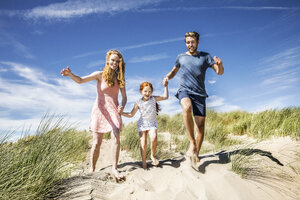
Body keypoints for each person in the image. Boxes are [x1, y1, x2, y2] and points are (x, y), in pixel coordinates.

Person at [60, 49, 127, 180]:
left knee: (116, 135)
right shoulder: (99, 75)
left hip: (113, 109)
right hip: (100, 110)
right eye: (112, 60)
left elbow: (124, 97)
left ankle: (114, 168)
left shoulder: (120, 79)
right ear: (108, 61)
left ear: (120, 63)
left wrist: (122, 106)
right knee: (97, 142)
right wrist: (70, 74)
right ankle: (92, 169)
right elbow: (80, 80)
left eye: (117, 61)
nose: (114, 62)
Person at [163, 31, 224, 168]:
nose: (190, 44)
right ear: (186, 43)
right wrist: (167, 77)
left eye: (193, 42)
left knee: (201, 127)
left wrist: (219, 65)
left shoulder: (205, 57)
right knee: (186, 107)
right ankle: (192, 142)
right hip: (184, 90)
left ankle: (196, 153)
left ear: (197, 42)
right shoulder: (181, 57)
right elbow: (174, 71)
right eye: (188, 42)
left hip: (200, 94)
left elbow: (219, 72)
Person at [120, 81, 168, 169]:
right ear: (141, 91)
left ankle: (152, 156)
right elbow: (131, 115)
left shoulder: (153, 99)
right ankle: (144, 163)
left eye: (149, 91)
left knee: (153, 137)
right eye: (145, 91)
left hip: (152, 123)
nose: (147, 93)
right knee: (143, 144)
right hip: (142, 124)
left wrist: (165, 86)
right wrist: (121, 113)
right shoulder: (138, 102)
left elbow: (165, 97)